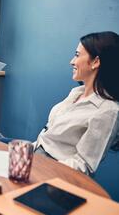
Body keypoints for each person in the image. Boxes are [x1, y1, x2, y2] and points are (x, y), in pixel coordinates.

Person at [34, 32, 119, 175]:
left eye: (77, 55)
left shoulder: (108, 111)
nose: (72, 61)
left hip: (53, 173)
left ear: (95, 62)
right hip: (35, 153)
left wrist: (41, 168)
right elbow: (47, 135)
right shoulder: (77, 92)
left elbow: (83, 165)